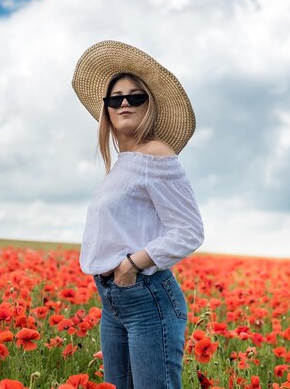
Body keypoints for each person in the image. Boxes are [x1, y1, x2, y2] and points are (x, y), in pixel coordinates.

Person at [72, 40, 205, 389]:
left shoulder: (155, 154)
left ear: (150, 105)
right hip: (113, 301)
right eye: (115, 99)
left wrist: (131, 264)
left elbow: (189, 230)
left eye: (135, 96)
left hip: (147, 297)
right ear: (107, 109)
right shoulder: (123, 165)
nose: (124, 103)